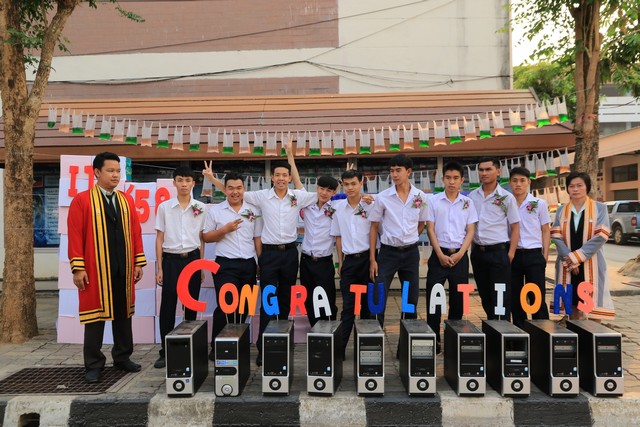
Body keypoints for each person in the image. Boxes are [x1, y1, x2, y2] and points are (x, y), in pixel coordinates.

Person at [203, 160, 317, 366]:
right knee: (268, 301)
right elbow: (233, 192)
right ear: (271, 177)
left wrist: (363, 198)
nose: (281, 178)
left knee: (285, 301)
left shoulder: (297, 197)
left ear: (289, 178)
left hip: (290, 254)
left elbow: (325, 196)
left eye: (285, 175)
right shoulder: (261, 196)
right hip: (269, 255)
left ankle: (280, 344)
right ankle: (263, 348)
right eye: (277, 175)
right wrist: (212, 179)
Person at [67, 152, 146, 383]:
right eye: (110, 170)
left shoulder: (126, 200)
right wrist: (78, 267)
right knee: (95, 318)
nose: (115, 175)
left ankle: (122, 357)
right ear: (97, 172)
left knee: (123, 315)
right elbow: (75, 235)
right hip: (95, 269)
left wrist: (138, 262)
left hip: (123, 267)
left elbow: (136, 232)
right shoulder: (82, 200)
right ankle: (93, 364)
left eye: (118, 171)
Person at [202, 172, 263, 359]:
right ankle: (217, 347)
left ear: (244, 189)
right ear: (225, 190)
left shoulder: (253, 210)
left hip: (248, 264)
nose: (235, 192)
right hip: (225, 265)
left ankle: (237, 343)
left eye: (238, 188)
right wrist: (225, 230)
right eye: (230, 188)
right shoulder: (216, 211)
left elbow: (257, 238)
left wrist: (260, 262)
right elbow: (206, 237)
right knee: (225, 306)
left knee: (244, 307)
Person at [154, 167, 207, 369]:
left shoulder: (201, 207)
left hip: (192, 260)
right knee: (168, 306)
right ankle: (165, 351)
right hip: (171, 261)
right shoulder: (164, 207)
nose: (184, 184)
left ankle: (189, 347)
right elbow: (159, 238)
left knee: (191, 305)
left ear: (193, 183)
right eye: (180, 180)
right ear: (174, 182)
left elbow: (201, 239)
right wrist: (160, 268)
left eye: (188, 180)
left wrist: (201, 266)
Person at [369, 154, 428, 326]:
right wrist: (373, 259)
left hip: (410, 253)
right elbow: (373, 227)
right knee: (378, 296)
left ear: (408, 171)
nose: (394, 174)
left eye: (398, 170)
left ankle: (406, 339)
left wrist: (410, 238)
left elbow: (422, 223)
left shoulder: (420, 196)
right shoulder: (383, 197)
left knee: (410, 299)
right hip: (387, 253)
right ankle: (375, 336)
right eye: (392, 171)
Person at [425, 161, 477, 353]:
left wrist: (461, 253)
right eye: (448, 178)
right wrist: (439, 254)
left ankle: (453, 339)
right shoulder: (433, 201)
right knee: (434, 299)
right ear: (442, 179)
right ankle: (434, 339)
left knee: (458, 300)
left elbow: (470, 230)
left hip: (460, 257)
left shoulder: (468, 203)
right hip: (438, 255)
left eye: (455, 178)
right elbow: (430, 229)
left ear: (462, 180)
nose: (452, 182)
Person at [285, 146, 340, 326]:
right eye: (321, 188)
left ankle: (329, 331)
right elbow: (296, 180)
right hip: (306, 260)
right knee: (309, 299)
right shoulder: (307, 202)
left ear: (334, 193)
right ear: (317, 188)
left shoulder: (336, 208)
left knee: (327, 298)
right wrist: (290, 154)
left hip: (324, 262)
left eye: (329, 190)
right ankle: (315, 330)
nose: (324, 193)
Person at [551, 172, 614, 320]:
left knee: (592, 305)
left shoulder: (599, 208)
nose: (575, 189)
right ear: (567, 189)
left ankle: (592, 331)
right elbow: (556, 237)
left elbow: (601, 236)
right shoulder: (561, 210)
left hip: (592, 262)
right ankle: (574, 329)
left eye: (579, 185)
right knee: (572, 301)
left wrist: (576, 257)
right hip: (568, 264)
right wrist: (570, 260)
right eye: (571, 186)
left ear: (587, 187)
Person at [468, 157, 520, 320]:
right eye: (481, 170)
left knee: (501, 296)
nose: (484, 173)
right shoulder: (472, 196)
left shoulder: (506, 197)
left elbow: (515, 226)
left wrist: (510, 253)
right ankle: (491, 326)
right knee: (485, 295)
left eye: (488, 169)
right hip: (478, 253)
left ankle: (503, 329)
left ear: (498, 171)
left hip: (499, 252)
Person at [331, 169, 375, 354]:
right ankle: (340, 350)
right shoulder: (338, 208)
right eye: (347, 184)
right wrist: (340, 262)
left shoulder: (370, 205)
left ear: (361, 183)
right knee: (348, 307)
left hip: (368, 260)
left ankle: (364, 350)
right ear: (342, 185)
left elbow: (376, 232)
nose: (350, 188)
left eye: (354, 184)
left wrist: (373, 260)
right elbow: (338, 236)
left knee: (367, 307)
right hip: (349, 262)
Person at [509, 167, 551, 328]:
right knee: (516, 296)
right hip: (514, 254)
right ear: (510, 183)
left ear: (528, 182)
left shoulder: (538, 204)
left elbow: (545, 229)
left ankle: (541, 330)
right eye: (514, 181)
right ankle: (519, 330)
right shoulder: (506, 203)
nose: (518, 184)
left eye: (522, 181)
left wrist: (545, 254)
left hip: (534, 254)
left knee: (536, 295)